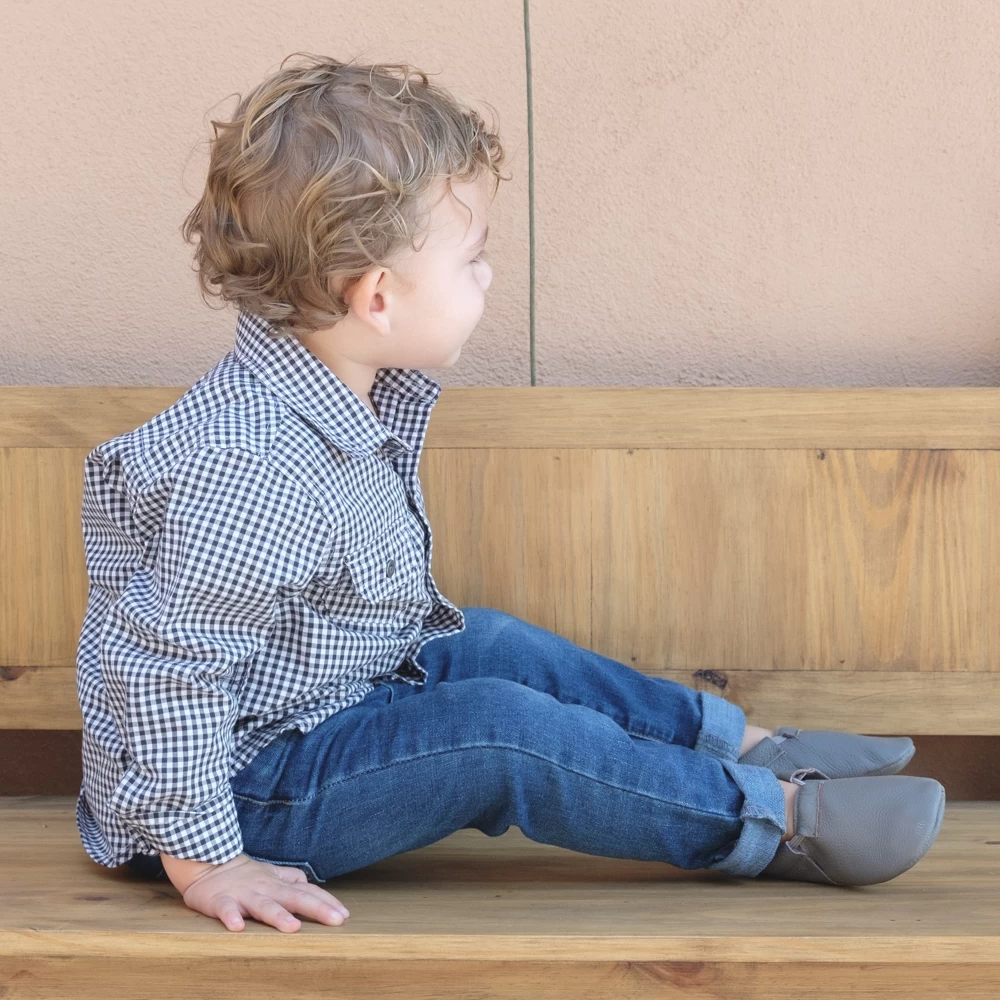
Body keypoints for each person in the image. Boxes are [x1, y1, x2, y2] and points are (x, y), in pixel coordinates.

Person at [76, 52, 945, 935]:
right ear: (377, 296)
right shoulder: (250, 465)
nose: (487, 277)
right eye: (474, 258)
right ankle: (776, 822)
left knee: (484, 641)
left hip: (331, 700)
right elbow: (165, 672)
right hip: (241, 800)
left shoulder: (334, 392)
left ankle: (750, 749)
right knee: (498, 729)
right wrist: (207, 862)